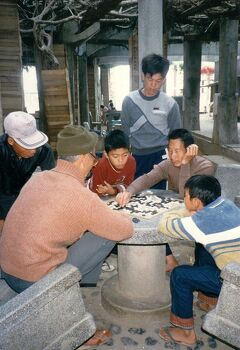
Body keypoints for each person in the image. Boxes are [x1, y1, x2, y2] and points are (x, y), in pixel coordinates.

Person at [0, 125, 134, 347]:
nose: (96, 162)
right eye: (94, 156)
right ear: (82, 158)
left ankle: (72, 293)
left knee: (90, 226)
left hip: (6, 266)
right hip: (33, 280)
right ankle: (69, 307)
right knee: (106, 233)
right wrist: (125, 216)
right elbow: (124, 230)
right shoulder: (80, 196)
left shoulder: (38, 179)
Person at [116, 128, 215, 272]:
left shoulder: (206, 167)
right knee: (156, 221)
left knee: (204, 261)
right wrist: (129, 191)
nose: (172, 155)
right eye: (170, 150)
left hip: (202, 215)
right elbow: (148, 178)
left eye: (177, 151)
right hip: (179, 208)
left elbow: (185, 195)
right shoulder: (168, 164)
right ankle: (168, 258)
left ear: (189, 150)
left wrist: (186, 163)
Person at [158, 175, 240, 347]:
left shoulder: (201, 222)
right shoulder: (227, 205)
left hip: (235, 282)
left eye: (186, 196)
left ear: (196, 202)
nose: (183, 199)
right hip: (235, 267)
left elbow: (164, 224)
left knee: (180, 275)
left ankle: (185, 332)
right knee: (204, 248)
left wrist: (183, 211)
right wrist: (193, 210)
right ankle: (210, 300)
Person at [121, 53, 181, 189]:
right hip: (136, 157)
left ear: (164, 80)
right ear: (143, 76)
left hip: (160, 157)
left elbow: (176, 135)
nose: (153, 85)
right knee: (135, 194)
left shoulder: (170, 104)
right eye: (150, 79)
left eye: (158, 81)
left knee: (159, 197)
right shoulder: (129, 101)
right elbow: (125, 133)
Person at [0, 111, 55, 231]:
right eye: (28, 145)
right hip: (3, 192)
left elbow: (52, 182)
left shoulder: (44, 150)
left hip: (25, 192)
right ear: (11, 141)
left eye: (35, 143)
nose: (34, 150)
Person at [89, 129, 136, 196]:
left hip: (117, 195)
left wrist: (114, 191)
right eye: (115, 156)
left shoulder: (131, 162)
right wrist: (104, 191)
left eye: (125, 155)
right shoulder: (101, 165)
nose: (120, 160)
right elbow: (94, 190)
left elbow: (128, 185)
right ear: (106, 154)